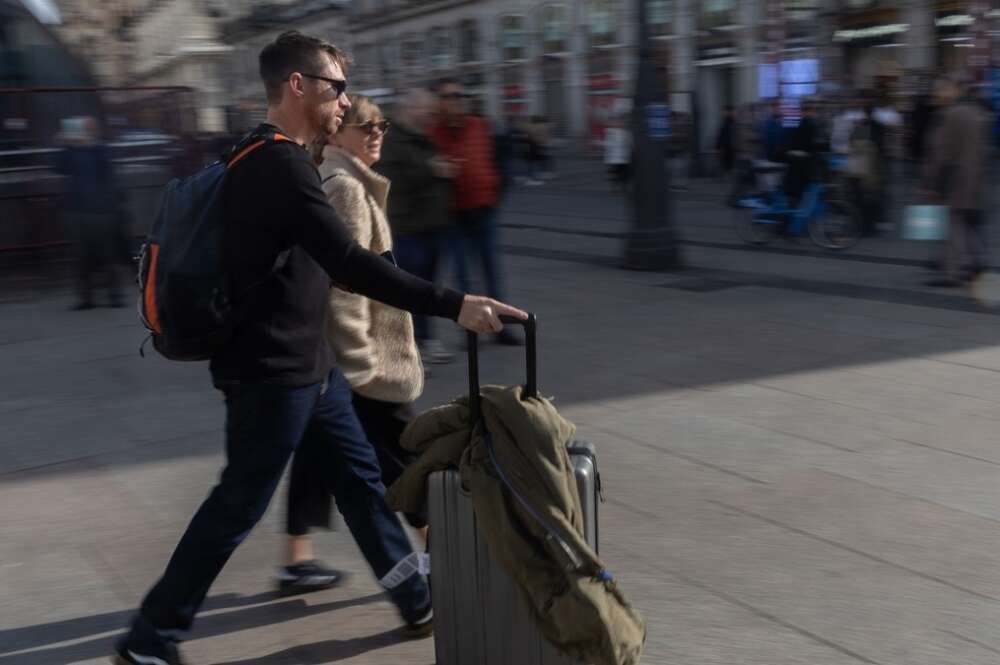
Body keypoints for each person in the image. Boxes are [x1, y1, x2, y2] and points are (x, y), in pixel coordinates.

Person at [112, 31, 526, 665]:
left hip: (311, 364)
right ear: (297, 86)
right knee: (238, 502)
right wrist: (455, 304)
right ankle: (151, 637)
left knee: (359, 481)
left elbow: (314, 265)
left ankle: (413, 596)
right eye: (336, 88)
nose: (345, 101)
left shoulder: (273, 154)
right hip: (272, 370)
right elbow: (348, 261)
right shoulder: (276, 163)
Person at [280, 93, 431, 593]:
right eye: (364, 125)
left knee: (317, 452)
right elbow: (342, 286)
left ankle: (296, 557)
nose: (376, 133)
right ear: (334, 133)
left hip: (336, 357)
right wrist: (363, 363)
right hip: (364, 357)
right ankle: (432, 551)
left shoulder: (347, 181)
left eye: (382, 125)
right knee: (401, 453)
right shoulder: (346, 187)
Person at [430, 79, 521, 346]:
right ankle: (470, 331)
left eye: (459, 96)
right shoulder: (434, 134)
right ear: (441, 103)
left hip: (484, 211)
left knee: (492, 272)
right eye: (449, 97)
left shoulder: (481, 127)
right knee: (463, 279)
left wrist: (496, 193)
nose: (456, 100)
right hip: (454, 217)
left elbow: (500, 161)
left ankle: (500, 328)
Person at [376, 88, 456, 366]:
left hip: (431, 227)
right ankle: (405, 348)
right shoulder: (391, 141)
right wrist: (433, 170)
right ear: (408, 109)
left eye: (432, 111)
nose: (430, 116)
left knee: (428, 289)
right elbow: (390, 183)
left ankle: (424, 340)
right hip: (406, 231)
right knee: (409, 292)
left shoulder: (423, 139)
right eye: (426, 110)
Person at [921, 73, 990, 287]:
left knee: (955, 225)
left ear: (952, 90)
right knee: (969, 223)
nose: (937, 94)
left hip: (956, 179)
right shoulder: (976, 112)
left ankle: (954, 271)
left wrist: (931, 183)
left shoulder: (950, 115)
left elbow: (941, 153)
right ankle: (977, 262)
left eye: (940, 90)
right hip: (975, 177)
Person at [53, 116, 128, 310]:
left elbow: (107, 169)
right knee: (80, 256)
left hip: (102, 211)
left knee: (107, 254)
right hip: (77, 210)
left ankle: (115, 295)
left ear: (94, 131)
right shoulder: (72, 151)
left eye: (87, 129)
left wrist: (90, 146)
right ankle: (86, 298)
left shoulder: (100, 149)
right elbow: (58, 168)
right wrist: (64, 146)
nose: (82, 133)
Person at [603, 115, 631, 191]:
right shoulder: (610, 133)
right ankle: (615, 187)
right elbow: (608, 145)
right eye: (618, 122)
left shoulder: (625, 132)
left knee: (623, 174)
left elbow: (628, 144)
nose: (620, 123)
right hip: (614, 158)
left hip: (623, 157)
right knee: (616, 173)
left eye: (621, 122)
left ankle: (623, 187)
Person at [715, 104, 736, 176]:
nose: (723, 113)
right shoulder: (726, 122)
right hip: (726, 147)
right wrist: (718, 146)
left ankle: (729, 178)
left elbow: (725, 135)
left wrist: (719, 146)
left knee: (728, 165)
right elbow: (721, 135)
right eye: (723, 111)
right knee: (726, 165)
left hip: (728, 147)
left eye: (725, 111)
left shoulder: (730, 122)